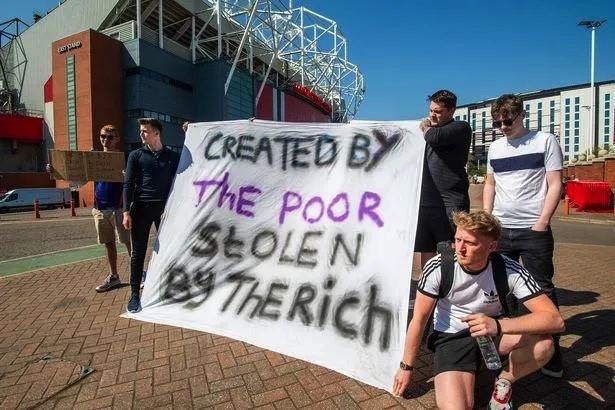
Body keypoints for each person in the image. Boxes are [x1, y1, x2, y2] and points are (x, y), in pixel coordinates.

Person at [392, 211, 564, 410]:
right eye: (458, 240)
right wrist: (406, 367)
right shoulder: (438, 267)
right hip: (452, 337)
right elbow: (419, 319)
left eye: (470, 243)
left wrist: (498, 325)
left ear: (492, 246)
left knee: (544, 344)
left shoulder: (510, 269)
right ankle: (468, 368)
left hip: (492, 333)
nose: (460, 248)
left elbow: (555, 320)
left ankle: (504, 381)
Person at [483, 94, 564, 378]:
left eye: (507, 121)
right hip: (501, 228)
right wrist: (487, 218)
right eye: (497, 123)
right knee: (500, 288)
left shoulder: (544, 141)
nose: (503, 127)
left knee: (541, 288)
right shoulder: (495, 147)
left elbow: (555, 183)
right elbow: (490, 184)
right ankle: (506, 346)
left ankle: (551, 353)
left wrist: (542, 222)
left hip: (533, 229)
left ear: (521, 115)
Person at [46, 125, 131, 292]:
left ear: (117, 139)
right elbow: (79, 181)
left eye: (110, 137)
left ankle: (139, 273)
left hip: (120, 208)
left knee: (128, 242)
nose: (106, 140)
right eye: (103, 136)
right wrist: (55, 170)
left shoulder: (124, 159)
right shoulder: (94, 159)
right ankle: (114, 276)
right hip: (100, 208)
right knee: (109, 243)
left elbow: (133, 181)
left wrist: (126, 175)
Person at [123, 118, 180, 313]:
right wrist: (126, 212)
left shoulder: (172, 156)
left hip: (164, 211)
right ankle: (134, 294)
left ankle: (167, 289)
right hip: (140, 209)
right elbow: (128, 184)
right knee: (138, 253)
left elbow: (183, 179)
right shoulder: (136, 155)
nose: (141, 134)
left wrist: (189, 132)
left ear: (157, 133)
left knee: (168, 250)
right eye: (141, 130)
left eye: (145, 131)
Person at [416, 90, 472, 268]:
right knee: (426, 248)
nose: (432, 115)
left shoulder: (461, 128)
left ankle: (450, 283)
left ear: (451, 111)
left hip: (451, 202)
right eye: (431, 110)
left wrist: (425, 127)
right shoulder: (426, 132)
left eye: (438, 111)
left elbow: (434, 136)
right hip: (427, 202)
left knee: (451, 248)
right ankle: (428, 282)